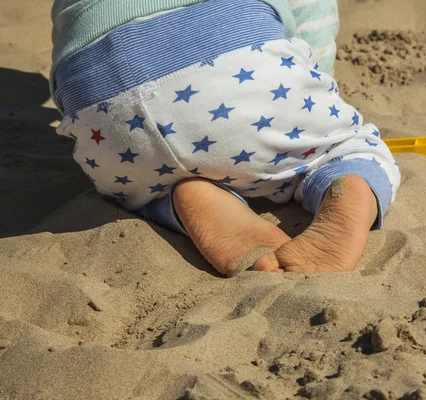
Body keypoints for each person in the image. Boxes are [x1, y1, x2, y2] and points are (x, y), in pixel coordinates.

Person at [50, 0, 401, 276]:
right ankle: (347, 183)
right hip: (234, 56)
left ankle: (180, 199)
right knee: (350, 147)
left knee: (140, 189)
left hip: (98, 105)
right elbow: (312, 24)